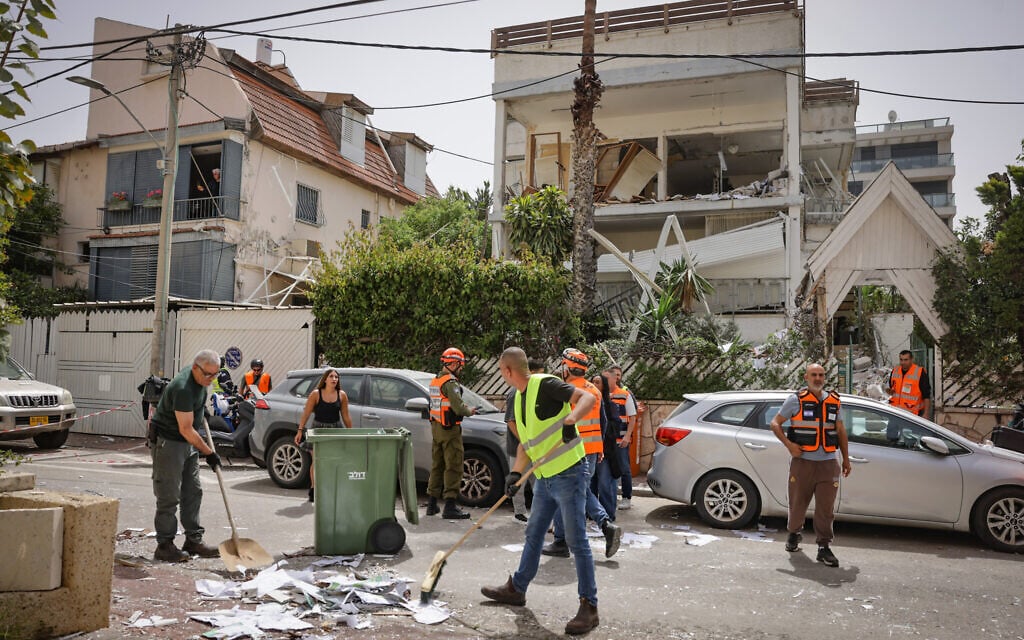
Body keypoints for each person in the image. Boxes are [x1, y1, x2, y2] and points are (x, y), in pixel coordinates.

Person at [482, 347, 600, 636]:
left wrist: (572, 421)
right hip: (546, 478)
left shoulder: (544, 383)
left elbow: (588, 397)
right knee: (534, 533)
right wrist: (514, 475)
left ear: (508, 371)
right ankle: (517, 589)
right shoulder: (519, 399)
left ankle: (590, 606)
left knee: (576, 541)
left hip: (570, 473)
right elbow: (527, 445)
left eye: (500, 370)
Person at [769, 363, 852, 568]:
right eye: (814, 374)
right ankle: (794, 533)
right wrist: (789, 445)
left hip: (828, 464)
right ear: (806, 377)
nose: (818, 378)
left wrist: (846, 459)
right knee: (798, 504)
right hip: (802, 463)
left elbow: (840, 431)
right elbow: (775, 423)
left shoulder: (834, 401)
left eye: (821, 375)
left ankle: (824, 547)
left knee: (826, 509)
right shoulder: (795, 400)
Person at [542, 349, 622, 559]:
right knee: (576, 493)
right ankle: (564, 539)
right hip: (592, 451)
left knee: (568, 493)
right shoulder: (593, 390)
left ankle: (601, 526)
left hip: (572, 452)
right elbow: (602, 422)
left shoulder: (565, 391)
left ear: (567, 367)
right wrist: (600, 449)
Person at [149, 349, 224, 562]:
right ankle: (164, 546)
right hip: (170, 442)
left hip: (187, 444)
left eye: (215, 375)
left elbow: (193, 412)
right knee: (169, 495)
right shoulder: (183, 388)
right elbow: (186, 429)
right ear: (195, 368)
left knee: (193, 491)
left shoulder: (200, 381)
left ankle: (193, 541)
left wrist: (201, 409)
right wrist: (209, 453)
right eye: (207, 375)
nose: (211, 380)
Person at [426, 347, 477, 519]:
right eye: (460, 365)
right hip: (449, 430)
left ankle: (432, 504)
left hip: (436, 429)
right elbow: (458, 407)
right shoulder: (450, 383)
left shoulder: (436, 381)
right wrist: (470, 411)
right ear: (453, 363)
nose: (461, 368)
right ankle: (450, 506)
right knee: (454, 465)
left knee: (437, 465)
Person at [295, 368, 353, 502]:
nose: (334, 379)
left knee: (333, 461)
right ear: (325, 379)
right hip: (318, 430)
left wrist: (351, 432)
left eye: (336, 377)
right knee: (317, 461)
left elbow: (346, 416)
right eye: (331, 376)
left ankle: (330, 489)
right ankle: (314, 489)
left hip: (335, 429)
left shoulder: (342, 395)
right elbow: (306, 413)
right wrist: (300, 430)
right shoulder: (316, 394)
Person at [505, 358, 546, 522]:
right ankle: (519, 512)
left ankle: (540, 514)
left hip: (535, 447)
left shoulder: (534, 392)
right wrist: (525, 441)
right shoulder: (515, 393)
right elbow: (511, 421)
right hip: (518, 446)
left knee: (538, 482)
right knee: (518, 483)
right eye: (540, 374)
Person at [590, 372, 623, 521]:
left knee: (605, 484)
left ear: (603, 386)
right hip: (589, 451)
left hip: (605, 451)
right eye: (593, 382)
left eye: (598, 382)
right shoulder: (586, 404)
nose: (594, 385)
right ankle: (592, 513)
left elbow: (616, 427)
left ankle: (608, 515)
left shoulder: (610, 405)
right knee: (590, 485)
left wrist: (603, 432)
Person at [606, 367, 637, 509]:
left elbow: (632, 417)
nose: (616, 378)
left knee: (624, 468)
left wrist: (627, 436)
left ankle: (626, 497)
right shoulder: (602, 394)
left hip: (621, 440)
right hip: (607, 440)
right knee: (608, 470)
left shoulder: (625, 395)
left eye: (618, 375)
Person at [888, 350, 931, 419]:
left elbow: (926, 395)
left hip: (913, 415)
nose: (903, 362)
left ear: (911, 359)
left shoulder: (920, 372)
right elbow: (892, 388)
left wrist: (926, 414)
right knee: (891, 430)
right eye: (901, 360)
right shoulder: (895, 371)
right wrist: (890, 391)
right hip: (895, 413)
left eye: (906, 360)